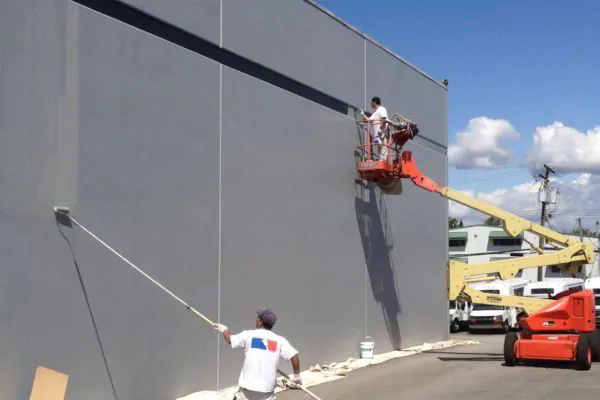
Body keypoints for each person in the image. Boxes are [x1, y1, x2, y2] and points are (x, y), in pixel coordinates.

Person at [214, 309, 302, 400]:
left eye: (257, 318)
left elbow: (229, 339)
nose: (256, 319)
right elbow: (294, 356)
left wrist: (224, 329)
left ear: (261, 322)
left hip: (247, 390)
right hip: (266, 391)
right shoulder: (279, 340)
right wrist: (297, 376)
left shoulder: (249, 335)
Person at [361, 96, 389, 161]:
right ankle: (381, 159)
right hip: (377, 135)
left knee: (383, 147)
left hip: (381, 133)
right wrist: (363, 114)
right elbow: (369, 120)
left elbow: (384, 118)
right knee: (380, 147)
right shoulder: (375, 112)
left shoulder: (382, 109)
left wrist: (380, 128)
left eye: (371, 102)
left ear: (374, 102)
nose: (371, 104)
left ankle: (383, 160)